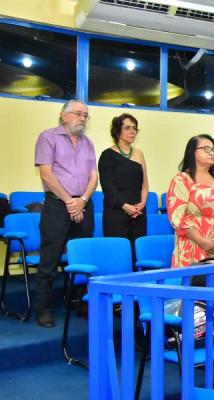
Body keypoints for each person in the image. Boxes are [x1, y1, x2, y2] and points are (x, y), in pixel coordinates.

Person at [34, 100, 98, 328]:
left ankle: (81, 303)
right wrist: (70, 201)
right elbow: (46, 174)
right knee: (50, 257)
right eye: (79, 114)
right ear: (64, 115)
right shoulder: (48, 137)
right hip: (57, 205)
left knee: (83, 256)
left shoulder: (88, 143)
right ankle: (44, 309)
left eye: (86, 115)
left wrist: (81, 201)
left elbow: (93, 176)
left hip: (83, 203)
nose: (82, 118)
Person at [167, 134, 214, 267]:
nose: (212, 153)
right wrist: (201, 241)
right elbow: (177, 217)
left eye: (213, 149)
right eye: (206, 149)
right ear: (192, 152)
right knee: (196, 285)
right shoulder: (182, 180)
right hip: (193, 245)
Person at [98, 113, 148, 255]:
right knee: (118, 254)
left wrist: (142, 203)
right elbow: (108, 187)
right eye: (127, 128)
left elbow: (145, 182)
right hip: (116, 211)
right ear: (117, 130)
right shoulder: (107, 155)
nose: (132, 131)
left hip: (138, 213)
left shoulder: (139, 153)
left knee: (137, 254)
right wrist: (125, 207)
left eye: (134, 128)